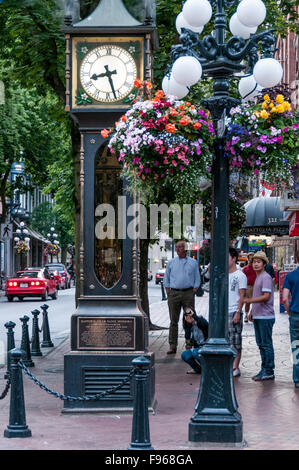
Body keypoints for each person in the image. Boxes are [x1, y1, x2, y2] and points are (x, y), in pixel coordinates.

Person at [164, 240, 201, 354]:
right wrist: (168, 292)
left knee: (189, 319)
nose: (178, 249)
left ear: (185, 249)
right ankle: (172, 345)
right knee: (173, 321)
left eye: (180, 247)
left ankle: (189, 343)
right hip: (174, 294)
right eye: (177, 247)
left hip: (188, 294)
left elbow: (197, 278)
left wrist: (193, 290)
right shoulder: (171, 263)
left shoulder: (193, 263)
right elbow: (167, 278)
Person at [244, 251, 275, 381]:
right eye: (254, 262)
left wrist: (249, 301)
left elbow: (266, 297)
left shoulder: (265, 277)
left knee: (266, 344)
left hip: (265, 317)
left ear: (264, 264)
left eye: (258, 262)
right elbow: (258, 296)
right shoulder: (258, 277)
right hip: (259, 315)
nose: (256, 264)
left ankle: (268, 370)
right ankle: (264, 369)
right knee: (261, 344)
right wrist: (252, 311)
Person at [228, 247, 247, 377]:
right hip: (224, 312)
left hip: (234, 310)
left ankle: (236, 367)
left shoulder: (240, 275)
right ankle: (229, 365)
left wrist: (238, 312)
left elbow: (242, 295)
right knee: (226, 340)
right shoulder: (223, 274)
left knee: (235, 340)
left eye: (227, 257)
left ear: (234, 258)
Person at [282, 265, 299, 388]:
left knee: (296, 347)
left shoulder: (290, 276)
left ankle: (297, 378)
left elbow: (284, 299)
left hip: (295, 315)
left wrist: (289, 312)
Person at [181, 306, 209, 374]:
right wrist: (188, 324)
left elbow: (206, 324)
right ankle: (198, 369)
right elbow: (187, 337)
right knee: (185, 355)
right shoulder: (190, 326)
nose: (189, 316)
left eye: (190, 315)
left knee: (195, 353)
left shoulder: (200, 321)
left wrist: (194, 316)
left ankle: (208, 368)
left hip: (207, 346)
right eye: (187, 315)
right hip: (199, 348)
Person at [242, 252, 256, 323]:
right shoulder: (245, 268)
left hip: (256, 286)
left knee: (255, 302)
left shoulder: (256, 267)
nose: (251, 259)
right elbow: (242, 278)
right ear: (248, 259)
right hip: (248, 287)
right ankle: (246, 315)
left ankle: (252, 315)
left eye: (252, 257)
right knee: (247, 302)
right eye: (250, 257)